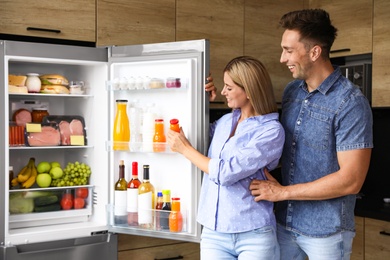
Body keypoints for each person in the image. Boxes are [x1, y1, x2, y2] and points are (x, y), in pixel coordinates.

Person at [249, 9, 373, 260]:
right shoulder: (292, 91)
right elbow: (260, 129)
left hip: (326, 232)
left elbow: (351, 179)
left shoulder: (350, 103)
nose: (283, 58)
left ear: (315, 52)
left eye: (289, 50)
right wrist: (220, 94)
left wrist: (283, 192)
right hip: (284, 223)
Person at [168, 56, 284, 259]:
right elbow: (196, 136)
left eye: (229, 88)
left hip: (254, 234)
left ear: (249, 90)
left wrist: (185, 150)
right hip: (214, 234)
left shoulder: (271, 131)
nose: (223, 92)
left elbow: (226, 172)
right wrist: (202, 101)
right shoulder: (224, 122)